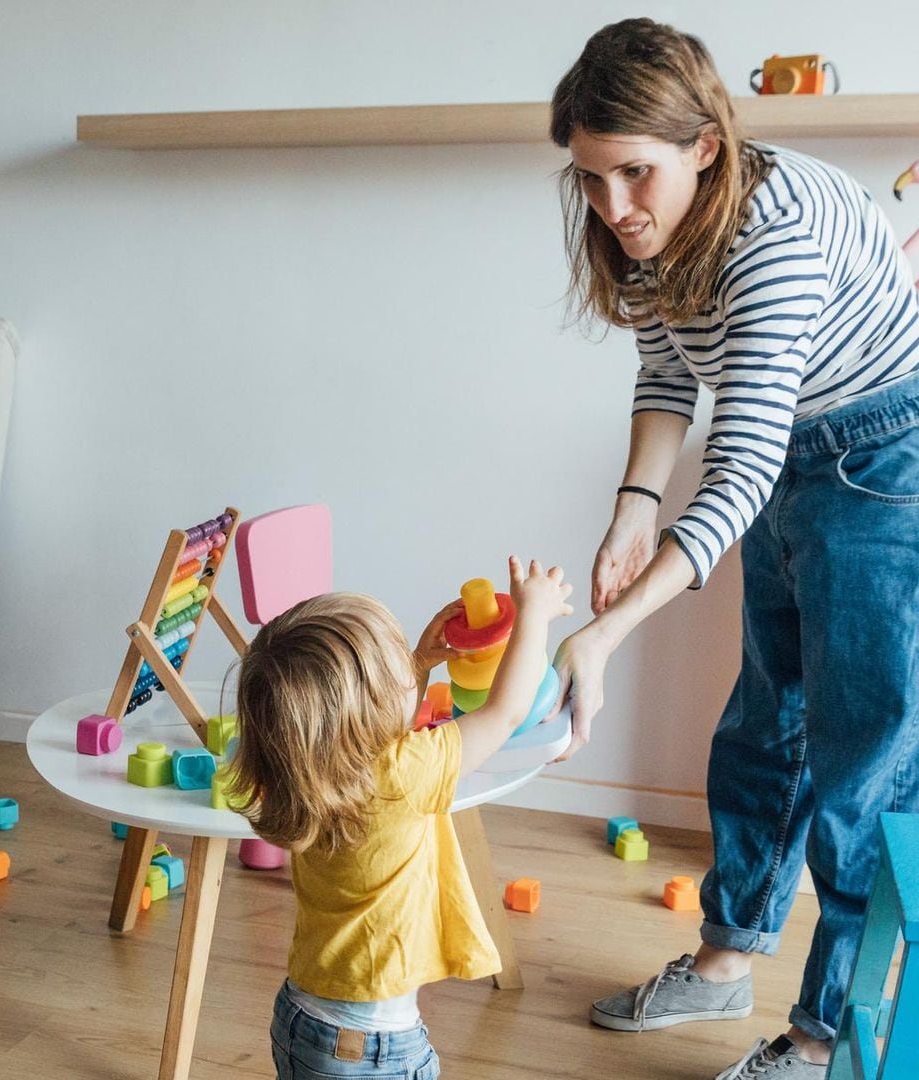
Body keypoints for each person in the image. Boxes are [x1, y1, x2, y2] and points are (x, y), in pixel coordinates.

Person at [547, 17, 919, 1080]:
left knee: (866, 765)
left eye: (634, 174)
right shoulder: (654, 230)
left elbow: (741, 471)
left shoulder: (776, 238)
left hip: (890, 462)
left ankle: (826, 1033)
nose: (614, 209)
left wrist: (607, 635)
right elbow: (670, 374)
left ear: (705, 145)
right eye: (589, 180)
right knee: (768, 723)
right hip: (799, 449)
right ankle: (725, 958)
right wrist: (631, 504)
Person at [229, 557, 573, 1079]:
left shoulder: (305, 770)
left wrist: (420, 660)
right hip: (370, 1048)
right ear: (371, 709)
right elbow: (504, 711)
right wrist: (533, 616)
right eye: (396, 668)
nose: (407, 671)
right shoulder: (402, 772)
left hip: (302, 1016)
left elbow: (356, 725)